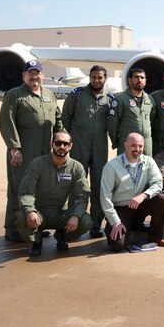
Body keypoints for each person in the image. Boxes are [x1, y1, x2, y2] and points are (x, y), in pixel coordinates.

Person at [0, 59, 62, 242]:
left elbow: (57, 121)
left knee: (40, 190)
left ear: (42, 75)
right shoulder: (14, 95)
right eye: (30, 73)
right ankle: (12, 227)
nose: (34, 76)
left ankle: (35, 224)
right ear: (23, 76)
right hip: (23, 152)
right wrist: (14, 148)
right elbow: (6, 122)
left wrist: (61, 142)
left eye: (37, 72)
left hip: (45, 154)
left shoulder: (49, 94)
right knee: (18, 189)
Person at [17, 130, 93, 257]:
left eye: (65, 144)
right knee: (22, 217)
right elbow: (25, 191)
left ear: (70, 146)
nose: (61, 147)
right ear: (52, 144)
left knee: (86, 221)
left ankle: (62, 235)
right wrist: (30, 210)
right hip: (40, 213)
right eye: (58, 143)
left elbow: (82, 196)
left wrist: (76, 216)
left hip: (61, 214)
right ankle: (36, 240)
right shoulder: (37, 164)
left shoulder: (77, 168)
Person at [61, 64, 112, 238]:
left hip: (99, 148)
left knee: (98, 186)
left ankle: (96, 224)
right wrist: (75, 136)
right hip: (79, 147)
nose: (96, 80)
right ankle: (73, 222)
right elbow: (65, 118)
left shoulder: (109, 99)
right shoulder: (77, 96)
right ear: (89, 78)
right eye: (93, 77)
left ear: (105, 79)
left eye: (100, 77)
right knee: (77, 185)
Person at [99, 133, 164, 251]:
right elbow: (105, 197)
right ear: (125, 145)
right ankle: (117, 227)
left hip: (140, 204)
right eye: (133, 146)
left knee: (162, 199)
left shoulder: (149, 162)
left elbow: (158, 183)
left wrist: (143, 196)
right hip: (121, 209)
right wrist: (115, 221)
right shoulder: (111, 167)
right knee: (118, 246)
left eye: (140, 146)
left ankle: (156, 236)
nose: (137, 149)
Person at [108, 67, 155, 156]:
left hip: (146, 144)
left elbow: (151, 119)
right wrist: (116, 142)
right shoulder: (120, 99)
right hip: (127, 144)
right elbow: (112, 123)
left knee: (145, 168)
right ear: (130, 80)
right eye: (136, 77)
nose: (139, 80)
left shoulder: (150, 99)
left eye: (142, 78)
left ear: (145, 80)